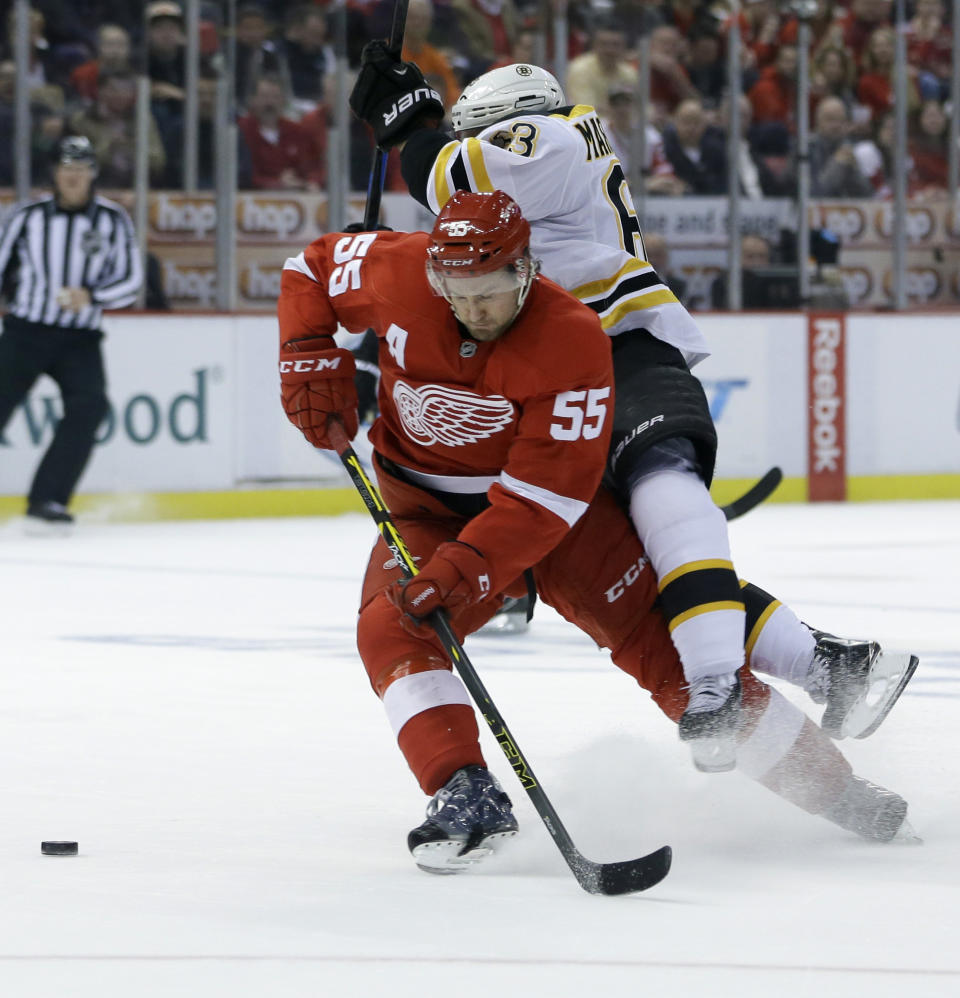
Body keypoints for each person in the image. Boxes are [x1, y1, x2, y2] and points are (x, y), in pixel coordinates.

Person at [277, 191, 916, 873]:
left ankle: (845, 796)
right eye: (456, 291)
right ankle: (465, 792)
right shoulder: (399, 267)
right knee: (388, 627)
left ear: (524, 270)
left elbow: (543, 499)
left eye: (490, 291)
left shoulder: (571, 335)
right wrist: (308, 350)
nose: (472, 309)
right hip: (425, 512)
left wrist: (470, 568)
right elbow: (308, 269)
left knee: (678, 658)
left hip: (558, 524)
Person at [347, 51, 918, 772]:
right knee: (654, 572)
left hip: (619, 346)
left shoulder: (546, 139)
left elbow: (448, 176)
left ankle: (725, 682)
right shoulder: (563, 147)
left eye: (474, 135)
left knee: (662, 509)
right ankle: (828, 663)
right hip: (582, 365)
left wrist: (413, 123)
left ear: (505, 124)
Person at [0, 135, 142, 529]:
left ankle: (47, 499)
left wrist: (92, 295)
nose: (74, 177)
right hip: (26, 330)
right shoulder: (26, 217)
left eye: (81, 169)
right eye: (67, 169)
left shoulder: (113, 220)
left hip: (79, 337)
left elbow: (131, 280)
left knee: (89, 407)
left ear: (93, 174)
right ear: (55, 175)